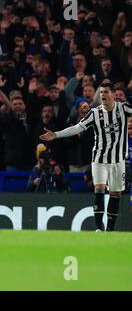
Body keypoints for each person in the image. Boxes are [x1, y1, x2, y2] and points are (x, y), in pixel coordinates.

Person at [40, 83, 132, 231]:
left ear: (114, 95)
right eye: (101, 92)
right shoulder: (94, 113)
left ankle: (110, 229)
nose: (102, 94)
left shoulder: (124, 109)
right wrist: (56, 134)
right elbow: (77, 128)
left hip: (118, 160)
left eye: (106, 92)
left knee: (115, 193)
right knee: (100, 188)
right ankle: (99, 228)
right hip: (99, 159)